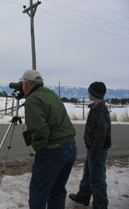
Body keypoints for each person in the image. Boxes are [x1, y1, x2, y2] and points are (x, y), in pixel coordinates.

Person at [21, 69, 77, 209]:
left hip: (53, 150)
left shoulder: (33, 100)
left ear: (26, 85)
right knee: (57, 190)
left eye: (22, 83)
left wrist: (39, 147)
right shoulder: (50, 93)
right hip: (70, 146)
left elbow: (40, 129)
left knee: (38, 192)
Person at [69, 81, 111, 209]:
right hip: (92, 148)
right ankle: (83, 196)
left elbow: (102, 133)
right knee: (88, 173)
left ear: (94, 93)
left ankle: (100, 204)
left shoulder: (101, 110)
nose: (88, 93)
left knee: (97, 178)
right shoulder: (95, 107)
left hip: (97, 150)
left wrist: (95, 150)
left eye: (89, 91)